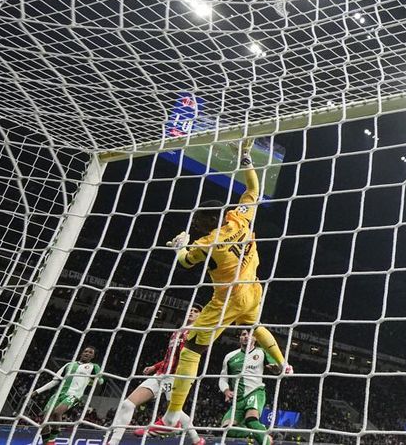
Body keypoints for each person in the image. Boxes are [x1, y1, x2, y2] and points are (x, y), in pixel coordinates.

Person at [160, 139, 291, 433]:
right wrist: (245, 158)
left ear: (207, 219)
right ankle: (283, 364)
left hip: (227, 300)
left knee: (191, 350)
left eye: (198, 219)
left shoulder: (209, 242)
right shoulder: (240, 219)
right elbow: (254, 190)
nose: (195, 222)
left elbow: (185, 263)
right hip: (253, 290)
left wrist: (180, 246)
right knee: (255, 324)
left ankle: (172, 413)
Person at [107, 305, 204, 445]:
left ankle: (195, 439)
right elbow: (171, 357)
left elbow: (188, 357)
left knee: (175, 411)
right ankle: (113, 442)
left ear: (200, 316)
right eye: (190, 310)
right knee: (127, 404)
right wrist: (155, 366)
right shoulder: (178, 331)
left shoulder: (195, 332)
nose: (192, 312)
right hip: (161, 374)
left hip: (176, 376)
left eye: (196, 311)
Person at [219, 329, 283, 445]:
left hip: (256, 391)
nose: (247, 336)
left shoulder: (262, 352)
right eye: (244, 334)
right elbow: (223, 378)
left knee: (251, 420)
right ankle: (257, 432)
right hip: (237, 399)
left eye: (250, 334)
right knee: (227, 430)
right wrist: (226, 390)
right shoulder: (230, 356)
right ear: (240, 338)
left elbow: (277, 369)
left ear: (255, 338)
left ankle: (265, 441)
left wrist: (276, 369)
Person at [31, 346, 104, 445]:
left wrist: (98, 379)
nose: (87, 353)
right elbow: (54, 381)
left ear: (93, 356)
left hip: (74, 395)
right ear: (81, 353)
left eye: (90, 352)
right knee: (45, 420)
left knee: (57, 413)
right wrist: (37, 391)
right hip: (58, 394)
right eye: (85, 351)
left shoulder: (94, 367)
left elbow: (100, 381)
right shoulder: (68, 365)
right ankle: (46, 443)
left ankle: (52, 440)